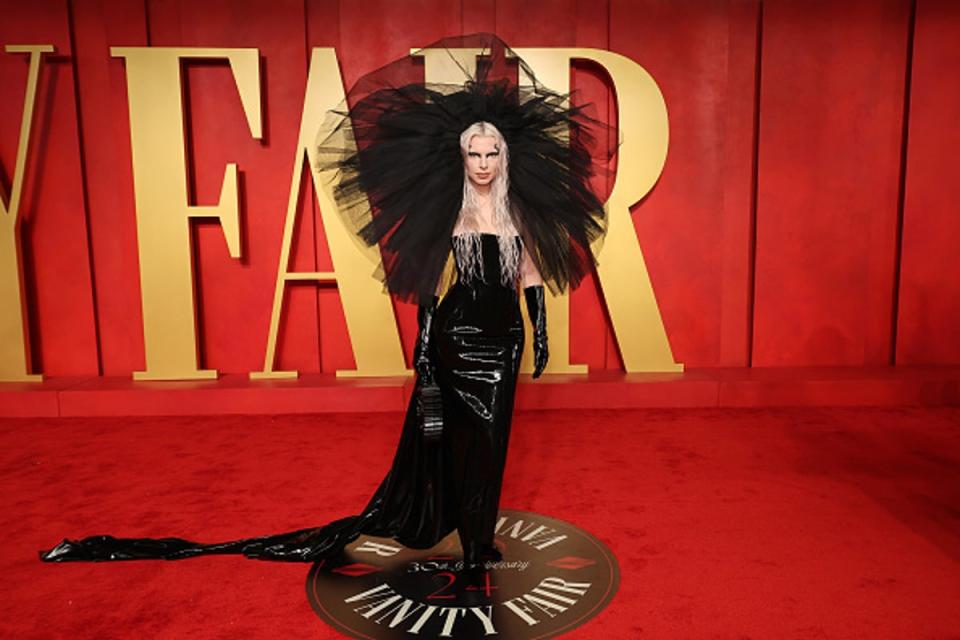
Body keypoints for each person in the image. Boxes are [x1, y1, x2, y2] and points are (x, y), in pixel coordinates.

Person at [39, 33, 612, 568]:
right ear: (461, 157)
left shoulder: (518, 212)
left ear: (504, 156)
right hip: (456, 339)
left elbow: (532, 275)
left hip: (503, 341)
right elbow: (432, 287)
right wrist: (426, 347)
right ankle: (468, 536)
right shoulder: (452, 212)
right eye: (474, 155)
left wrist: (537, 333)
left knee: (493, 441)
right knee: (456, 444)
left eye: (491, 154)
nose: (483, 164)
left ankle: (479, 540)